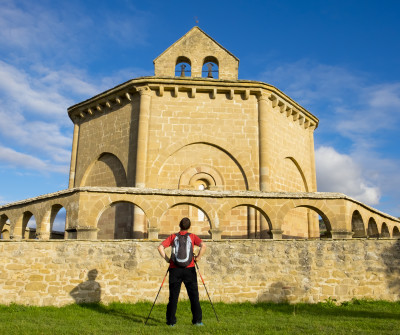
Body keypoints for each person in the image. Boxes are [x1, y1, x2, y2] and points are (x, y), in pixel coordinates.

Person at [158, 217, 207, 326]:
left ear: (179, 226)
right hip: (189, 269)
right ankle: (197, 321)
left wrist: (167, 259)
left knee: (173, 297)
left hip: (174, 269)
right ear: (189, 227)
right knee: (194, 296)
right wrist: (198, 257)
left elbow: (160, 247)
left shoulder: (173, 236)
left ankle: (171, 322)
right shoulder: (193, 236)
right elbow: (203, 246)